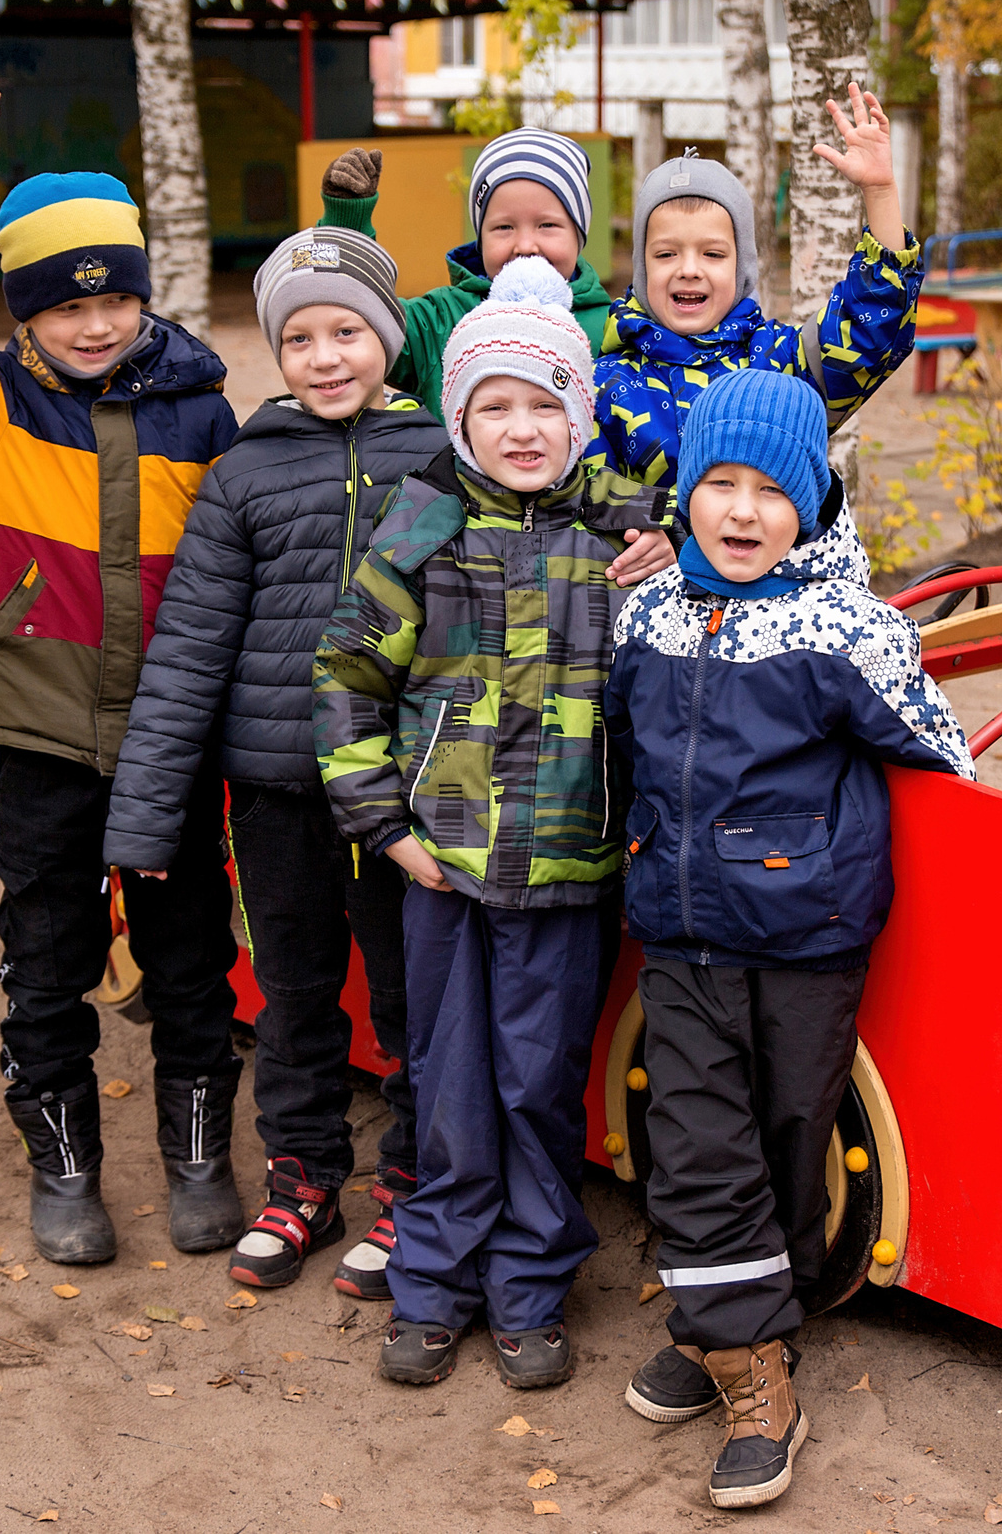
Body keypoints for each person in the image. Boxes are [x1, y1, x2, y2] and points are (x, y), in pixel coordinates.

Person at [101, 229, 670, 1296]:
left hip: (420, 798)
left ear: (389, 342)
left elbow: (598, 502)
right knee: (294, 989)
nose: (327, 356)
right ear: (275, 350)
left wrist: (667, 536)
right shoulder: (244, 472)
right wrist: (142, 819)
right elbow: (187, 647)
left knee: (416, 1003)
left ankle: (412, 1185)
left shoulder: (442, 459)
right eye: (301, 336)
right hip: (278, 782)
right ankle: (303, 1172)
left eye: (350, 331)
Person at [0, 64, 242, 1266]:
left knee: (190, 964)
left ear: (142, 296)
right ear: (22, 314)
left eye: (113, 302)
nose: (92, 326)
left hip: (175, 738)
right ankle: (64, 1170)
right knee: (47, 959)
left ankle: (197, 1161)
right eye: (62, 308)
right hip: (44, 737)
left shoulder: (206, 413)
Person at [604, 367, 976, 1509]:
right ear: (686, 493)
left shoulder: (847, 629)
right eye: (718, 481)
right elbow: (621, 736)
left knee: (784, 1137)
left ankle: (737, 1322)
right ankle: (753, 1370)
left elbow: (940, 752)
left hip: (806, 928)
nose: (742, 509)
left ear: (812, 503)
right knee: (696, 1140)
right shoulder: (649, 610)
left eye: (772, 488)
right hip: (678, 929)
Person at [313, 258, 672, 1391]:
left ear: (578, 412)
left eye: (546, 403)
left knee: (535, 1083)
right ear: (460, 417)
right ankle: (432, 1283)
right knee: (447, 1081)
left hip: (568, 867)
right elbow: (345, 678)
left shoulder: (625, 528)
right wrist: (385, 825)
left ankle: (526, 1287)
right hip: (443, 872)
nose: (523, 428)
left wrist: (675, 563)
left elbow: (764, 546)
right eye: (495, 406)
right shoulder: (418, 525)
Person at [595, 85, 923, 488]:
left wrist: (880, 193)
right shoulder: (606, 382)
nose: (689, 269)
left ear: (742, 268)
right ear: (641, 270)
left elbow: (869, 333)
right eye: (666, 255)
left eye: (713, 255)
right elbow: (580, 502)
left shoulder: (776, 363)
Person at [313, 129, 615, 413]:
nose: (525, 245)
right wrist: (347, 224)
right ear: (480, 240)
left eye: (547, 225)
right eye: (504, 227)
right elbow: (358, 317)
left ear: (579, 236)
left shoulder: (615, 329)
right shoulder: (439, 321)